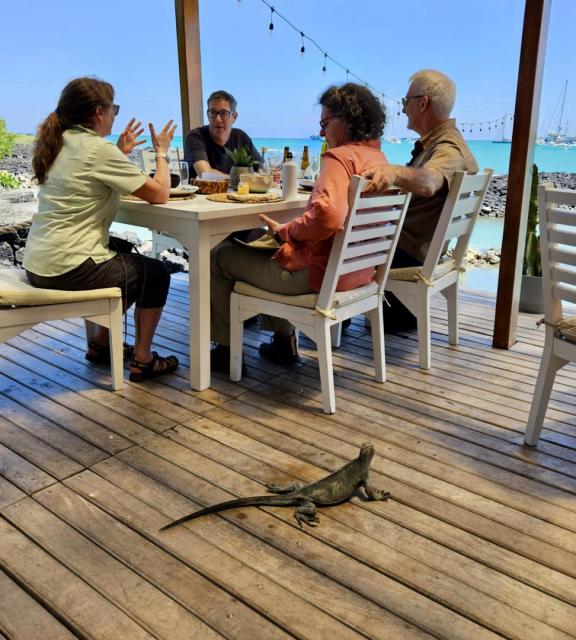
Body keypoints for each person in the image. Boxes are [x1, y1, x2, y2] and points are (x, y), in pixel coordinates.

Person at [210, 83, 388, 372]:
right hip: (360, 275)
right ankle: (283, 343)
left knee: (219, 256)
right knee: (271, 248)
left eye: (325, 123)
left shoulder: (339, 158)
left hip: (320, 278)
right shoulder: (379, 159)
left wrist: (288, 232)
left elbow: (329, 216)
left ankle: (225, 351)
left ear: (346, 121)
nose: (321, 132)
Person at [23, 76, 179, 382]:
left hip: (39, 263)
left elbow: (86, 179)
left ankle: (100, 344)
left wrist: (118, 152)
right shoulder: (96, 149)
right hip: (69, 268)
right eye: (113, 109)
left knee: (118, 252)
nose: (114, 115)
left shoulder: (59, 142)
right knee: (156, 273)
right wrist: (162, 152)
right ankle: (144, 359)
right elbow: (160, 193)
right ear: (98, 111)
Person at [362, 69, 478, 330]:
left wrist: (393, 172)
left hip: (408, 257)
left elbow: (428, 182)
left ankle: (322, 323)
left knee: (334, 238)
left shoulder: (448, 149)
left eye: (406, 102)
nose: (403, 109)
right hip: (411, 251)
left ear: (422, 103)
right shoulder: (439, 145)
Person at [184, 90, 261, 178]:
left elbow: (261, 170)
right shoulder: (196, 136)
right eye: (213, 112)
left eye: (223, 113)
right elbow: (204, 174)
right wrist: (240, 180)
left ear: (234, 117)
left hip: (237, 191)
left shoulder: (241, 137)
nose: (218, 119)